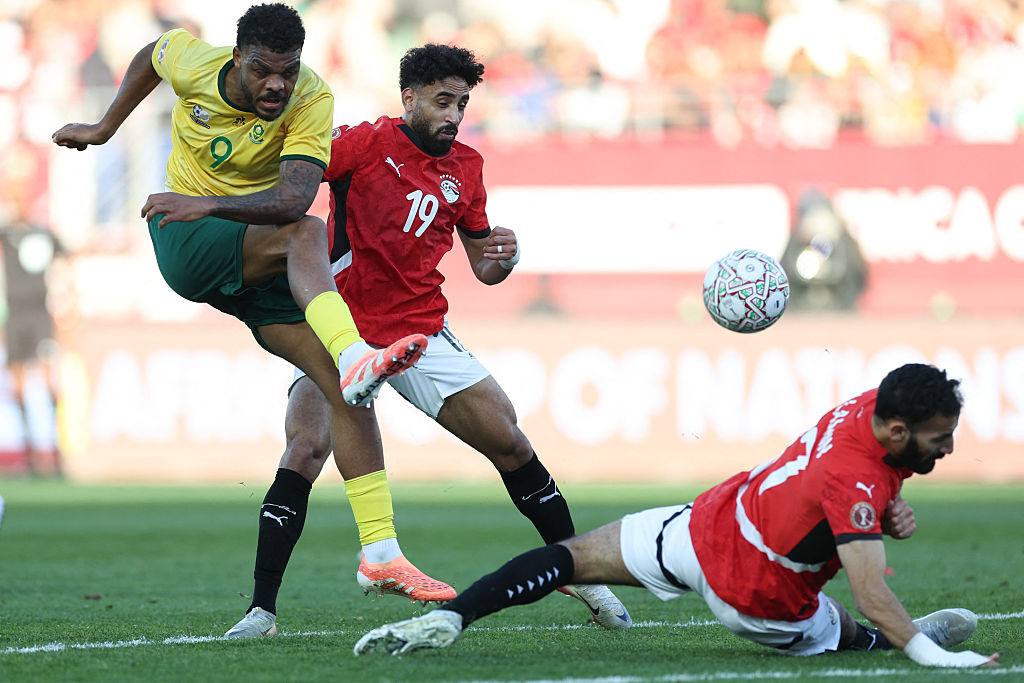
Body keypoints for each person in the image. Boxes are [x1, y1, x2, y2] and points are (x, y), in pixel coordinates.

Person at [52, 3, 446, 631]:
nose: (276, 86)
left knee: (348, 396)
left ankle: (379, 552)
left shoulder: (311, 95)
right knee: (308, 236)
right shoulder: (194, 62)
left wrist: (207, 202)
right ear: (237, 57)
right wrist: (104, 129)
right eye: (263, 70)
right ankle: (353, 352)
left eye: (286, 72)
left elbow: (292, 194)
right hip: (187, 238)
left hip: (249, 247)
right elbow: (153, 55)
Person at [224, 43, 631, 638]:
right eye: (444, 101)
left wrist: (503, 260)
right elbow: (295, 182)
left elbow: (483, 267)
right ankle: (261, 610)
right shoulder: (364, 143)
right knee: (305, 447)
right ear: (409, 98)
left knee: (511, 443)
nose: (455, 114)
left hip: (420, 330)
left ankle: (582, 575)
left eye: (463, 103)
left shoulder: (467, 167)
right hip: (344, 329)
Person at [354, 363, 1000, 669]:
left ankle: (451, 613)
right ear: (894, 428)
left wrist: (885, 504)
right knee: (860, 630)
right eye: (939, 436)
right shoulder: (855, 478)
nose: (947, 446)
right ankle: (908, 642)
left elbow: (861, 482)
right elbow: (869, 584)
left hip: (706, 523)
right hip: (759, 591)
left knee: (571, 556)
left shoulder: (867, 409)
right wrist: (928, 655)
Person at [0, 198, 66, 477]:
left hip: (40, 315)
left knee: (50, 380)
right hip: (15, 316)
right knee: (17, 384)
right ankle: (29, 454)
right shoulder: (7, 234)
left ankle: (55, 453)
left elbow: (66, 260)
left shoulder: (44, 234)